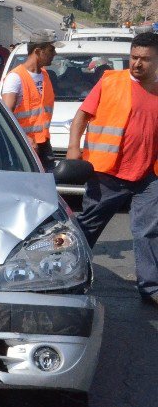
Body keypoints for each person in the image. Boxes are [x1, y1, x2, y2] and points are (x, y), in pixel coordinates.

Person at [67, 31, 158, 305]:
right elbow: (81, 116)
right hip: (108, 173)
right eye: (134, 57)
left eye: (145, 59)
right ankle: (67, 276)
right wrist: (74, 149)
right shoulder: (111, 82)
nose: (137, 64)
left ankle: (150, 288)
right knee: (87, 227)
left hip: (149, 175)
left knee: (148, 231)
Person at [1, 29, 58, 169]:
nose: (55, 54)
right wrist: (24, 138)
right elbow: (5, 116)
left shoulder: (45, 75)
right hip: (22, 146)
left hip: (43, 143)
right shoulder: (15, 78)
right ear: (38, 51)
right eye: (51, 50)